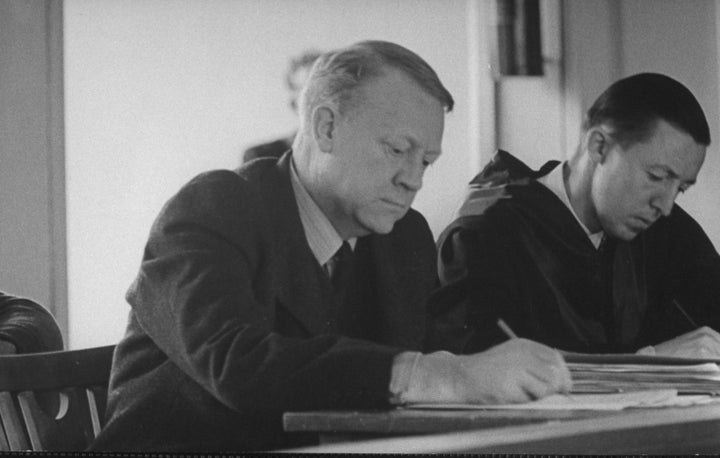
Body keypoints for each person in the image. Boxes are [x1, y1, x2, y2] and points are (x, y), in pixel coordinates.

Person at [91, 40, 571, 452]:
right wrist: (442, 377)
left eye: (427, 160)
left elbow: (430, 371)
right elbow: (238, 364)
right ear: (326, 128)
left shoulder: (406, 236)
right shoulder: (213, 207)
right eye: (398, 150)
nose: (413, 180)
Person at [427, 73, 720, 358]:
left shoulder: (663, 227)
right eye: (656, 176)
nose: (666, 205)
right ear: (599, 146)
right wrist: (650, 360)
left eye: (680, 188)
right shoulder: (484, 233)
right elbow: (480, 372)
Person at [241, 49, 322, 163]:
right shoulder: (261, 157)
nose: (321, 98)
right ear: (294, 105)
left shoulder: (351, 150)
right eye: (310, 91)